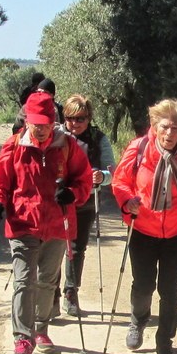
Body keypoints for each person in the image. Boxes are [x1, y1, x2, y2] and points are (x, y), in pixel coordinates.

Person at [0, 90, 93, 354]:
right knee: (24, 281)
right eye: (37, 123)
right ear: (27, 121)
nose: (42, 128)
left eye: (46, 123)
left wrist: (72, 194)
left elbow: (83, 182)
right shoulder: (14, 146)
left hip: (58, 225)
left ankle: (40, 326)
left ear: (53, 121)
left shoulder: (68, 146)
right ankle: (23, 341)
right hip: (23, 223)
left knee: (47, 281)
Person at [111, 98, 177, 354]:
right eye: (166, 127)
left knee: (170, 288)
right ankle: (138, 320)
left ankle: (164, 341)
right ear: (155, 125)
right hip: (143, 227)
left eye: (176, 128)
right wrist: (127, 202)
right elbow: (120, 181)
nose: (170, 134)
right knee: (143, 284)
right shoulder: (139, 149)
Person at [57, 94, 116, 317]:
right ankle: (50, 293)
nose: (75, 123)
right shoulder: (56, 136)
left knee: (76, 248)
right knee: (54, 247)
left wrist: (101, 176)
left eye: (80, 118)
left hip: (86, 200)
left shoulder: (99, 139)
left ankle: (70, 293)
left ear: (89, 118)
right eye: (70, 118)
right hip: (57, 199)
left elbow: (112, 171)